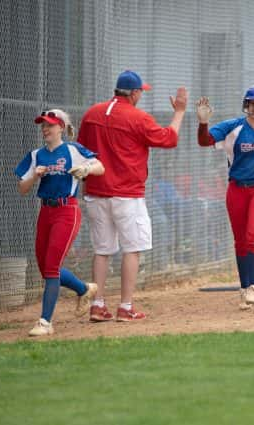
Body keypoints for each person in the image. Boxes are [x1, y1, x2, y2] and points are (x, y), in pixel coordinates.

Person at [78, 70, 188, 321]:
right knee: (132, 249)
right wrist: (179, 112)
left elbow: (82, 150)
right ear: (135, 93)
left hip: (96, 191)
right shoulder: (137, 117)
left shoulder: (92, 113)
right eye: (141, 91)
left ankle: (97, 304)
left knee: (102, 250)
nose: (141, 95)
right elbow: (169, 139)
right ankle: (125, 307)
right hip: (127, 193)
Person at [195, 85, 254, 310]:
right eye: (253, 104)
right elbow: (204, 141)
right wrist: (203, 123)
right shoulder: (234, 127)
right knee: (240, 241)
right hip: (237, 188)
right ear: (246, 104)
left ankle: (253, 288)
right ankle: (244, 286)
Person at [15, 109, 104, 336]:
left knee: (52, 267)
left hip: (67, 211)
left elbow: (100, 167)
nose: (45, 129)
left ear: (61, 128)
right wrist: (35, 175)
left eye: (50, 125)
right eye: (43, 125)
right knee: (46, 269)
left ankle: (45, 321)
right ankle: (84, 289)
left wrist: (85, 169)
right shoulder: (36, 155)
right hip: (46, 212)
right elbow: (22, 189)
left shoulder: (72, 150)